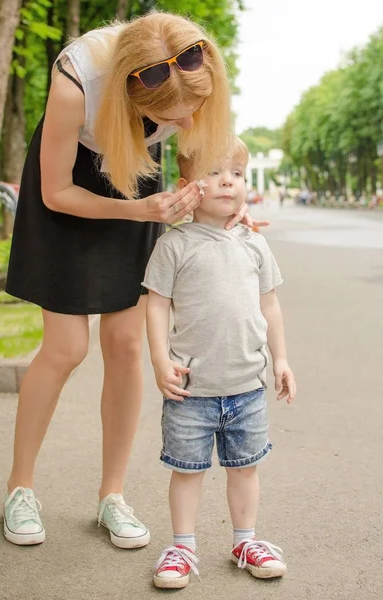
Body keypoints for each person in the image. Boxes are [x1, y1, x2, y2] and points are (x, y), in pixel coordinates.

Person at [3, 12, 269, 548]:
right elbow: (55, 192)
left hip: (135, 185)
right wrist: (141, 212)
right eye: (173, 116)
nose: (189, 121)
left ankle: (112, 496)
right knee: (67, 346)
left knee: (125, 343)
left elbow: (205, 158)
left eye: (195, 109)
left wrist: (223, 207)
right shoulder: (78, 80)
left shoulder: (196, 77)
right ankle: (19, 489)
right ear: (132, 91)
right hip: (71, 186)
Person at [143, 137, 296, 589]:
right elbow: (156, 306)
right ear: (188, 187)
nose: (228, 179)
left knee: (244, 468)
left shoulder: (255, 244)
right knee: (187, 472)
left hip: (247, 384)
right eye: (214, 171)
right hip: (191, 387)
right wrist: (158, 359)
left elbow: (270, 306)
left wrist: (281, 359)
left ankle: (245, 541)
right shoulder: (174, 245)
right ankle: (183, 547)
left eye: (237, 173)